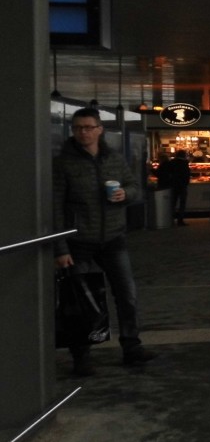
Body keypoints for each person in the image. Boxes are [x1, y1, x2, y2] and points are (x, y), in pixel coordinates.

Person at [52, 107, 156, 375]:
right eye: (77, 128)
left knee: (127, 295)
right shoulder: (64, 163)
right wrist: (61, 248)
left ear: (100, 129)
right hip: (79, 242)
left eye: (88, 127)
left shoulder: (114, 159)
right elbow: (55, 207)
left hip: (113, 238)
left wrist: (126, 194)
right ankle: (82, 356)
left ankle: (132, 347)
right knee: (82, 300)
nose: (82, 132)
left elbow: (135, 187)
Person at [161, 149, 191, 225]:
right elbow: (187, 175)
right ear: (184, 155)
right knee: (182, 203)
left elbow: (166, 172)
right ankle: (180, 220)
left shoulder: (171, 163)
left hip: (173, 185)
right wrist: (186, 183)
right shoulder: (185, 163)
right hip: (182, 185)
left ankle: (170, 219)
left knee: (173, 203)